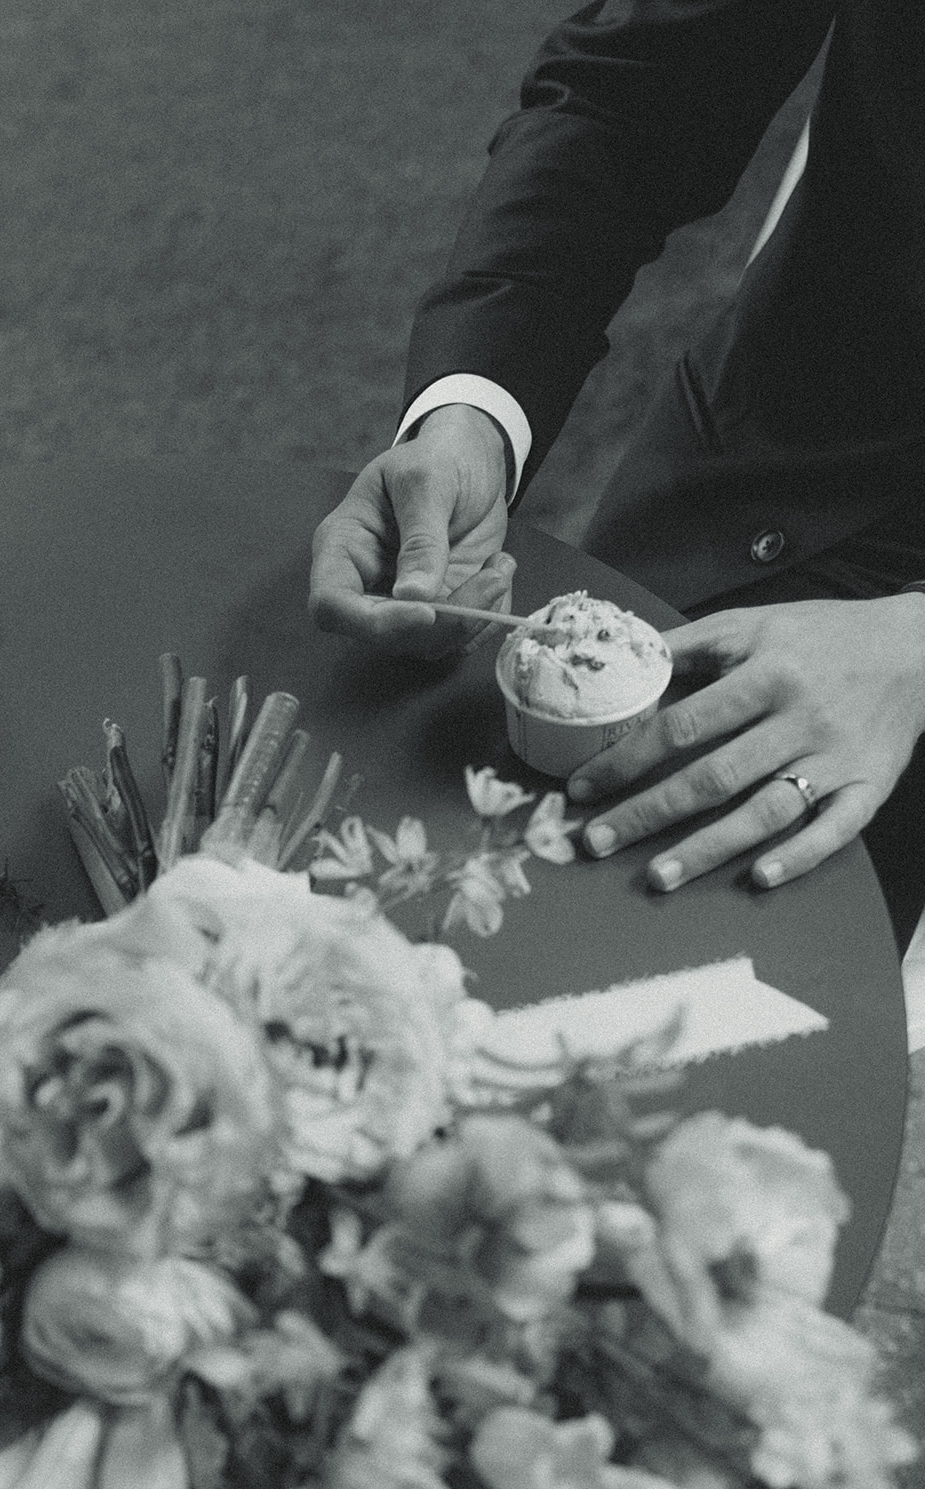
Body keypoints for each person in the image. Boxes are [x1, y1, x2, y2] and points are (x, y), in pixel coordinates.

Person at [308, 0, 925, 964]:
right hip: (799, 407)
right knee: (523, 911)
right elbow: (634, 91)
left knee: (785, 1006)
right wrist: (473, 415)